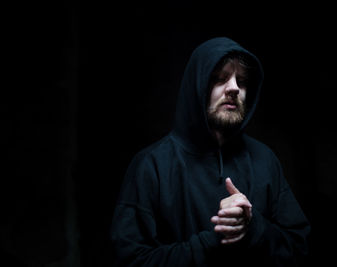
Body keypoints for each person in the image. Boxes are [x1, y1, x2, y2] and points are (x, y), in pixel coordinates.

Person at [110, 37, 310, 266]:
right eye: (219, 78)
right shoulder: (150, 165)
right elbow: (130, 260)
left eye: (242, 81)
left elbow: (299, 247)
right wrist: (214, 240)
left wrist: (253, 229)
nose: (234, 87)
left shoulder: (265, 160)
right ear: (197, 86)